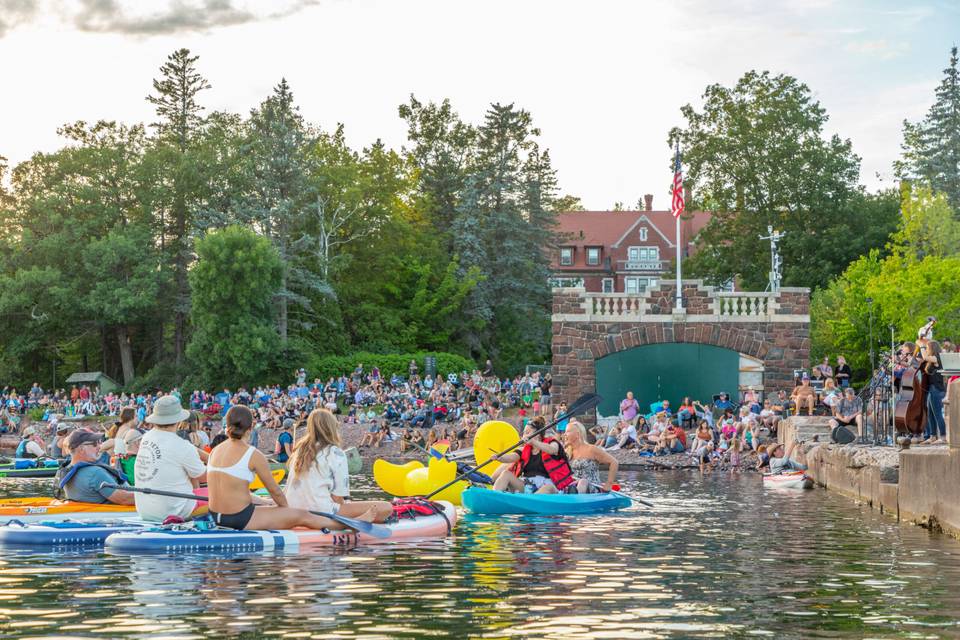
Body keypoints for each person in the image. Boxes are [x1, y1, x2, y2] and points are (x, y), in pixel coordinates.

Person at [207, 405, 357, 531]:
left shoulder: (215, 451)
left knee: (270, 504)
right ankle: (348, 525)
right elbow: (275, 491)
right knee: (301, 515)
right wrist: (287, 510)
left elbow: (237, 492)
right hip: (238, 519)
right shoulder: (253, 454)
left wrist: (267, 503)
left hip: (215, 516)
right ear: (251, 426)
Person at [285, 409, 392, 521]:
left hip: (294, 510)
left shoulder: (300, 450)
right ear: (331, 428)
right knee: (386, 507)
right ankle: (358, 521)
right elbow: (337, 498)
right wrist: (346, 506)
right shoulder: (335, 452)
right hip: (320, 511)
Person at [134, 395, 207, 522]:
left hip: (145, 511)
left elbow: (172, 451)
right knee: (226, 495)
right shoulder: (182, 446)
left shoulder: (147, 437)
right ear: (178, 420)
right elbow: (205, 476)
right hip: (174, 511)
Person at [490, 418, 574, 494]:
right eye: (523, 433)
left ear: (537, 434)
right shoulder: (524, 449)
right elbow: (512, 456)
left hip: (547, 487)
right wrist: (500, 457)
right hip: (528, 485)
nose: (524, 436)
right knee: (506, 474)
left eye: (527, 432)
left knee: (549, 488)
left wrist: (534, 442)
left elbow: (552, 450)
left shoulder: (552, 443)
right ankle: (493, 497)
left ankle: (529, 503)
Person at [55, 430, 135, 504]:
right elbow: (124, 499)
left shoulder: (68, 469)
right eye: (94, 444)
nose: (99, 446)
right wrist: (147, 496)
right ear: (81, 449)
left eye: (99, 442)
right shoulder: (95, 473)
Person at [563, 420, 618, 494]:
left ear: (577, 434)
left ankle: (575, 497)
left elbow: (614, 462)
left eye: (568, 431)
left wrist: (609, 483)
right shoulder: (566, 452)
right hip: (571, 485)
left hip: (591, 486)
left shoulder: (591, 449)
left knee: (583, 482)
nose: (564, 434)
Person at [921, 340, 946, 444]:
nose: (926, 350)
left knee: (937, 413)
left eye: (927, 348)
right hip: (932, 389)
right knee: (930, 414)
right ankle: (933, 436)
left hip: (937, 389)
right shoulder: (933, 360)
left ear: (932, 348)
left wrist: (921, 346)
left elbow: (925, 357)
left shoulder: (937, 358)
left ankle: (943, 436)